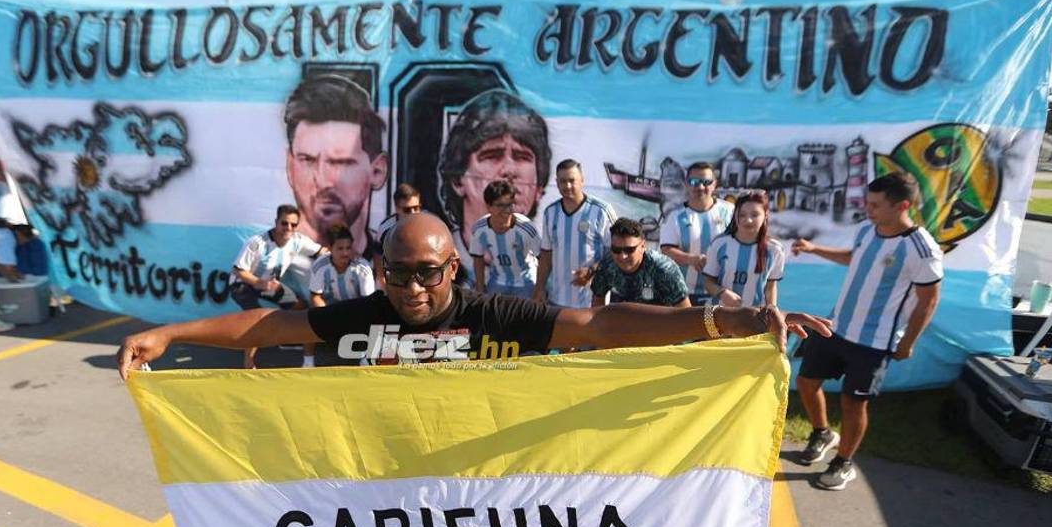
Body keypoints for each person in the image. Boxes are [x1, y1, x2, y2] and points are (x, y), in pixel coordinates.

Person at [118, 213, 832, 379]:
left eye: (430, 271)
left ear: (454, 267)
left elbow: (600, 322)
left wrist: (728, 317)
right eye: (398, 272)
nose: (414, 287)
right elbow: (271, 324)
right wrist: (174, 332)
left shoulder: (496, 314)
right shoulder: (365, 314)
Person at [791, 172, 942, 491]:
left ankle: (843, 463)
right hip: (836, 327)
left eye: (875, 205)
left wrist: (908, 343)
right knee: (805, 382)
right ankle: (822, 433)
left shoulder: (921, 248)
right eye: (867, 203)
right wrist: (814, 248)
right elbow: (852, 257)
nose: (868, 210)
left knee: (852, 403)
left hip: (874, 342)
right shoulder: (866, 230)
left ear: (902, 206)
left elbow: (929, 301)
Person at [437, 90, 552, 281]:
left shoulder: (550, 276)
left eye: (522, 157)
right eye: (492, 155)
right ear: (457, 179)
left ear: (539, 187)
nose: (509, 170)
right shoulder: (437, 259)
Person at [283, 75, 387, 256]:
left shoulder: (391, 267)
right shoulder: (266, 264)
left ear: (377, 171)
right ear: (290, 166)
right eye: (307, 160)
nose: (322, 180)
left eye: (341, 163)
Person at [229, 204, 324, 369]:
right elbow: (238, 270)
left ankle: (287, 342)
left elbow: (321, 251)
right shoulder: (257, 243)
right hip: (243, 286)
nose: (288, 228)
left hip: (270, 285)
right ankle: (248, 363)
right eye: (284, 223)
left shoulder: (298, 240)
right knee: (256, 320)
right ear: (276, 222)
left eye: (293, 225)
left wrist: (343, 256)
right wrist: (260, 283)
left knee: (301, 307)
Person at [533, 159, 616, 309]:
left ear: (582, 181)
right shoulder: (550, 212)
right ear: (557, 183)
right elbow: (546, 254)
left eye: (572, 180)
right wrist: (539, 288)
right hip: (556, 300)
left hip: (592, 301)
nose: (567, 186)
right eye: (563, 181)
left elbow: (615, 253)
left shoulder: (601, 211)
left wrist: (592, 271)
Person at [660, 162, 734, 305]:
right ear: (687, 184)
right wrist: (691, 259)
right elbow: (666, 250)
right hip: (685, 294)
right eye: (694, 182)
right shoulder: (675, 216)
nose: (700, 187)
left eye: (706, 182)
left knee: (718, 329)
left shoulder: (730, 212)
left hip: (723, 293)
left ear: (714, 184)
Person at [308, 223, 376, 367]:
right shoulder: (319, 266)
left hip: (357, 310)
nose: (345, 253)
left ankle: (366, 356)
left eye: (348, 248)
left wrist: (349, 320)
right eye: (340, 248)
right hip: (330, 309)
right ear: (330, 248)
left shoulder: (363, 268)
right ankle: (307, 362)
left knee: (374, 317)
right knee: (308, 317)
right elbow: (315, 296)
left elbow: (369, 303)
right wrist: (328, 316)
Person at [702, 191, 786, 308]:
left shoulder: (775, 250)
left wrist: (772, 312)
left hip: (754, 319)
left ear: (765, 215)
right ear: (735, 215)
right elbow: (708, 282)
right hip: (719, 316)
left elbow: (770, 287)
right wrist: (722, 293)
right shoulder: (719, 244)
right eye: (742, 215)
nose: (748, 220)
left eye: (755, 215)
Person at [590, 217, 689, 308]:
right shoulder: (607, 266)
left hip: (660, 324)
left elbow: (685, 313)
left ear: (643, 246)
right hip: (622, 323)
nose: (622, 256)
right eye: (616, 249)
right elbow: (596, 306)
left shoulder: (664, 270)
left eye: (629, 250)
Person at [469, 179, 541, 298]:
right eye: (500, 205)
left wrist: (539, 289)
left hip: (526, 282)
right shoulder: (479, 229)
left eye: (509, 204)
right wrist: (480, 287)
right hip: (498, 281)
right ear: (488, 207)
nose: (507, 210)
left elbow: (542, 259)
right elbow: (478, 259)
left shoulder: (526, 228)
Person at [373, 183, 422, 285]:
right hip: (397, 277)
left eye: (416, 208)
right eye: (407, 210)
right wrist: (382, 279)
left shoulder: (430, 223)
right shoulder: (385, 228)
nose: (413, 213)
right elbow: (378, 254)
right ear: (397, 208)